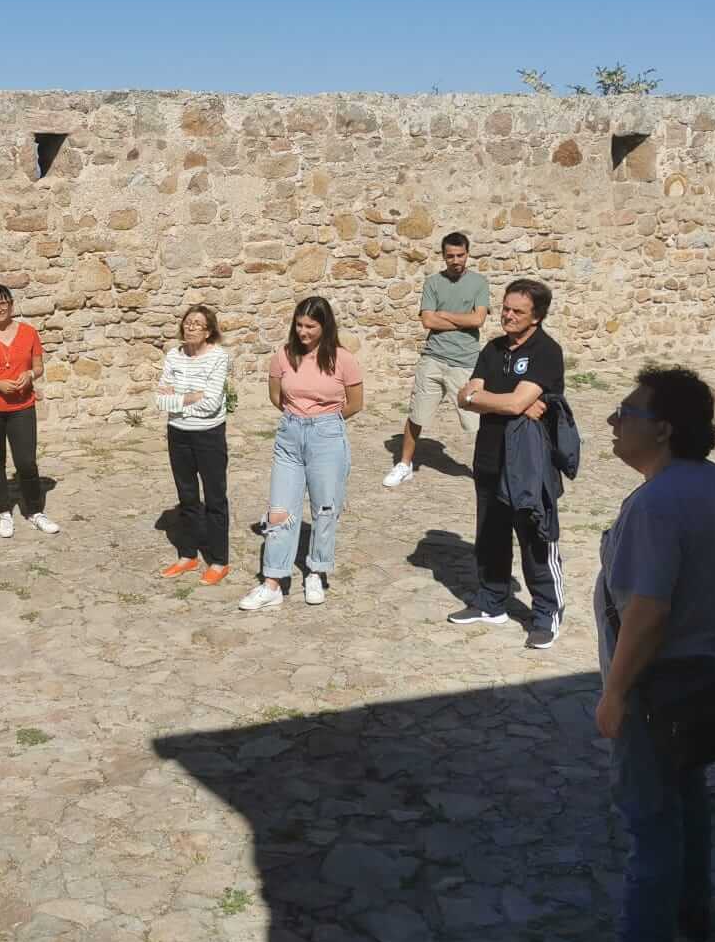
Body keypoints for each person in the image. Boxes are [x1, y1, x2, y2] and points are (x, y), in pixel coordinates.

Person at [569, 366, 715, 942]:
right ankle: (692, 912)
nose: (614, 422)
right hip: (705, 677)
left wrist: (615, 692)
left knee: (649, 815)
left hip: (657, 686)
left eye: (626, 412)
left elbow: (647, 611)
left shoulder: (654, 503)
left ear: (664, 428)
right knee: (689, 801)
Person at [449, 279, 567, 650]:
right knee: (490, 536)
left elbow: (508, 403)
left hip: (528, 463)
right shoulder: (494, 348)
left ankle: (547, 611)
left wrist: (485, 398)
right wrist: (500, 399)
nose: (508, 316)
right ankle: (491, 602)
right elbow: (464, 395)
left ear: (537, 317)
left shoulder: (546, 351)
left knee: (535, 537)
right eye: (505, 308)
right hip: (489, 458)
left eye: (518, 311)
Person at [238, 297, 363, 612]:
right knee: (280, 509)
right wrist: (300, 419)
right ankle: (273, 582)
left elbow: (355, 403)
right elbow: (275, 396)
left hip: (328, 436)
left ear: (325, 326)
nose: (304, 331)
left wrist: (325, 422)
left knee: (325, 508)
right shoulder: (283, 356)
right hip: (289, 436)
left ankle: (316, 571)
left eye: (311, 326)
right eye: (299, 325)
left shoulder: (342, 359)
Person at [383, 232, 488, 487]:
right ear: (443, 256)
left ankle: (487, 470)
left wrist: (444, 315)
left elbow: (478, 320)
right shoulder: (433, 282)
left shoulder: (479, 283)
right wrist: (460, 318)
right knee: (417, 414)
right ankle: (405, 464)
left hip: (465, 362)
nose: (455, 260)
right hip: (433, 358)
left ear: (467, 254)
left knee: (477, 420)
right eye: (450, 256)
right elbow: (428, 320)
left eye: (460, 255)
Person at [0, 284, 58, 538]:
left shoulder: (28, 333)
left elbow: (38, 367)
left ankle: (35, 511)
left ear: (11, 304)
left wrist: (29, 374)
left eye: (3, 303)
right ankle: (3, 511)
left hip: (22, 406)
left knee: (26, 462)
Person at [155, 304, 233, 585]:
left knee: (214, 498)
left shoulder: (218, 357)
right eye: (188, 322)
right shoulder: (174, 356)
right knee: (186, 495)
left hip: (208, 436)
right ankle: (188, 555)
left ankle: (219, 560)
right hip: (178, 434)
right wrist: (189, 397)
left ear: (209, 330)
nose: (191, 327)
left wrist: (177, 398)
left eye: (198, 324)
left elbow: (212, 403)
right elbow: (159, 400)